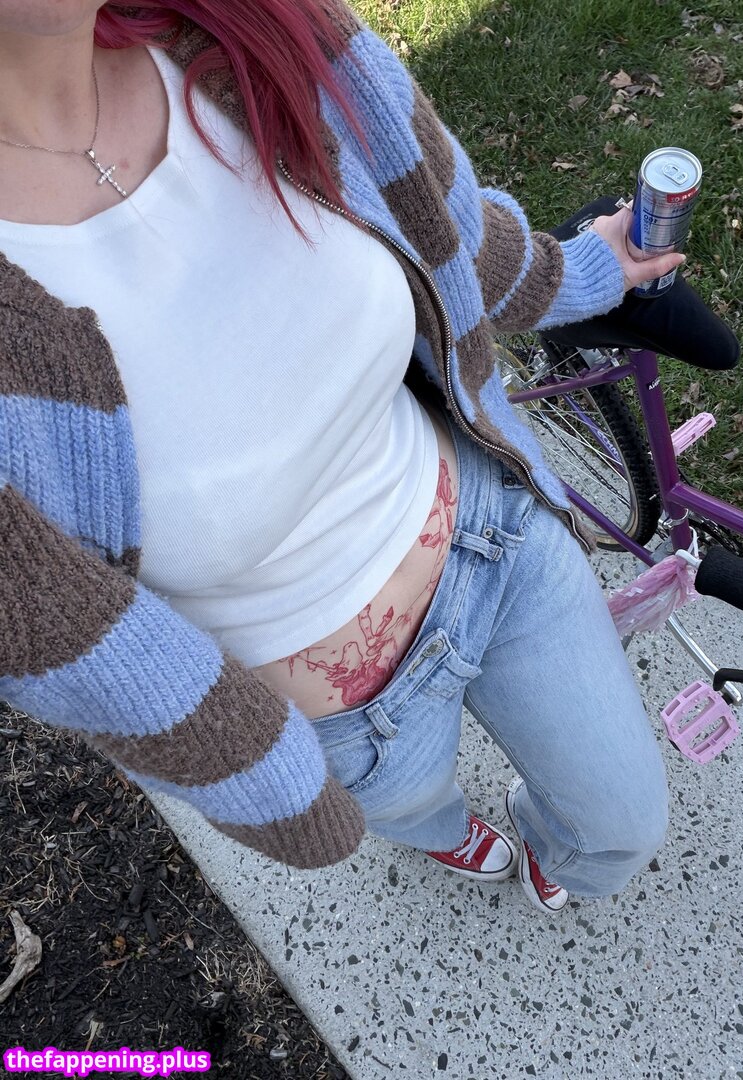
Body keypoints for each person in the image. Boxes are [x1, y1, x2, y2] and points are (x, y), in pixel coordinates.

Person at [0, 0, 681, 913]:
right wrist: (275, 792)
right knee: (419, 810)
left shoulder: (269, 32)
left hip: (494, 539)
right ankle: (445, 834)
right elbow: (64, 643)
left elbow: (443, 229)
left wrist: (578, 272)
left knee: (625, 821)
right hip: (345, 724)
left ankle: (557, 857)